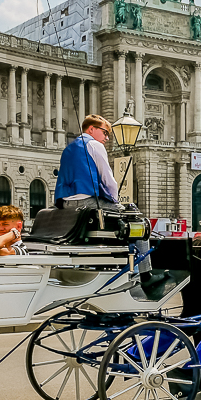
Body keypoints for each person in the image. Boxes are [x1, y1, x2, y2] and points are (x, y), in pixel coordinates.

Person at [53, 114, 164, 290]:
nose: (106, 138)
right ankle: (146, 275)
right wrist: (116, 202)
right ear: (91, 129)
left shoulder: (69, 148)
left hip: (66, 204)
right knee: (136, 220)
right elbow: (108, 180)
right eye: (105, 133)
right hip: (88, 202)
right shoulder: (94, 145)